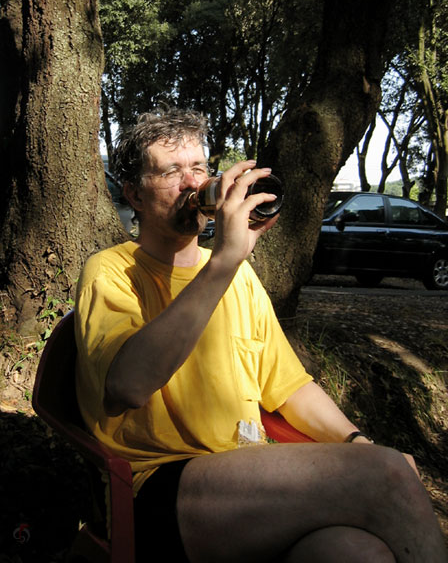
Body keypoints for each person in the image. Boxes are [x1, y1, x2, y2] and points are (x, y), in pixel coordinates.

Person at [75, 107, 447, 563]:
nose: (192, 183)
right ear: (132, 194)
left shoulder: (241, 280)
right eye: (171, 171)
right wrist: (224, 262)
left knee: (355, 551)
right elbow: (127, 386)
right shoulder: (111, 271)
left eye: (198, 167)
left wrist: (359, 444)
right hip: (154, 491)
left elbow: (291, 388)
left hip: (242, 476)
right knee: (388, 474)